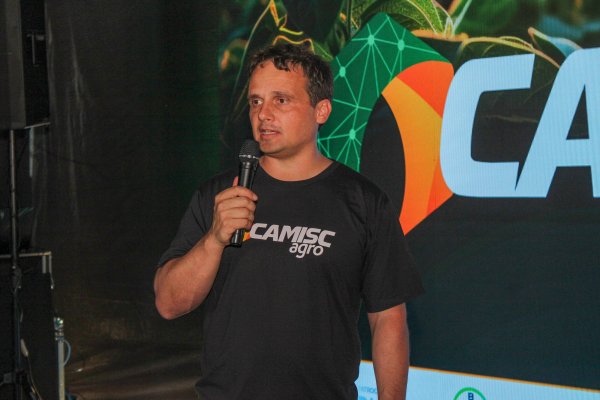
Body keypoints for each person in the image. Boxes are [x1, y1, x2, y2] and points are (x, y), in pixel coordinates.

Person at [154, 43, 423, 399]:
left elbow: (388, 318)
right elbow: (169, 304)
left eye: (281, 100)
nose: (263, 114)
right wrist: (215, 239)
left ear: (321, 110)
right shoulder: (219, 195)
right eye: (255, 101)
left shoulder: (364, 202)